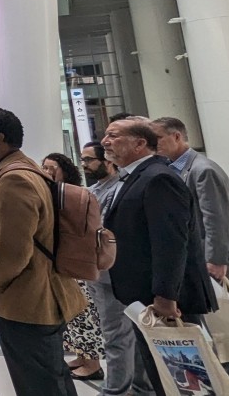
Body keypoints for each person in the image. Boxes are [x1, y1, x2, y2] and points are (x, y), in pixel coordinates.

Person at [0, 108, 85, 396]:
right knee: (51, 379)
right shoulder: (20, 170)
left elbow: (14, 251)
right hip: (36, 297)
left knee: (40, 385)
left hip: (30, 303)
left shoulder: (14, 178)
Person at [154, 117, 229, 396]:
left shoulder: (202, 170)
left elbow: (216, 219)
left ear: (178, 137)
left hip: (217, 267)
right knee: (219, 333)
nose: (154, 145)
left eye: (158, 139)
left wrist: (216, 261)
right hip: (200, 267)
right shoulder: (176, 170)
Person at [100, 118, 216, 394]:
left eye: (113, 136)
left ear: (140, 143)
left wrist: (165, 297)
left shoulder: (158, 178)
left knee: (183, 381)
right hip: (144, 298)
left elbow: (171, 242)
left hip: (165, 301)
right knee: (161, 373)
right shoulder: (135, 177)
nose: (105, 141)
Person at [41, 153, 105, 382]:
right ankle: (81, 356)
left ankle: (93, 363)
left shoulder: (76, 195)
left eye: (52, 168)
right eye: (44, 167)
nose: (47, 172)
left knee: (84, 314)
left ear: (64, 170)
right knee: (72, 316)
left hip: (78, 262)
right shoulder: (50, 194)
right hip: (62, 264)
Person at [81, 140, 139, 395]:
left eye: (89, 160)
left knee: (116, 336)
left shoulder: (119, 189)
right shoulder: (94, 189)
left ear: (108, 162)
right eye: (82, 160)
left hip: (113, 274)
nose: (84, 165)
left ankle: (116, 390)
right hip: (97, 273)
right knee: (115, 334)